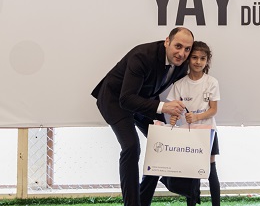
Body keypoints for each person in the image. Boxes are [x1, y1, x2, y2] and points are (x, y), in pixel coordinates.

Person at [91, 27, 194, 206]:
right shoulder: (142, 56)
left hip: (145, 99)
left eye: (187, 49)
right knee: (131, 146)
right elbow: (126, 99)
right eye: (178, 46)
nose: (182, 53)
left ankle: (143, 200)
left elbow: (184, 89)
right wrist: (164, 107)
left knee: (163, 141)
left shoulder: (182, 64)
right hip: (115, 100)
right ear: (167, 42)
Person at [167, 41, 221, 206]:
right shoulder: (179, 84)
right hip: (188, 134)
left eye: (202, 58)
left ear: (207, 61)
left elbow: (213, 110)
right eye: (195, 57)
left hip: (208, 132)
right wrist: (173, 118)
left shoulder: (212, 82)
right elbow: (173, 110)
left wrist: (197, 117)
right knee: (191, 172)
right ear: (188, 59)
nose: (198, 62)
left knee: (210, 169)